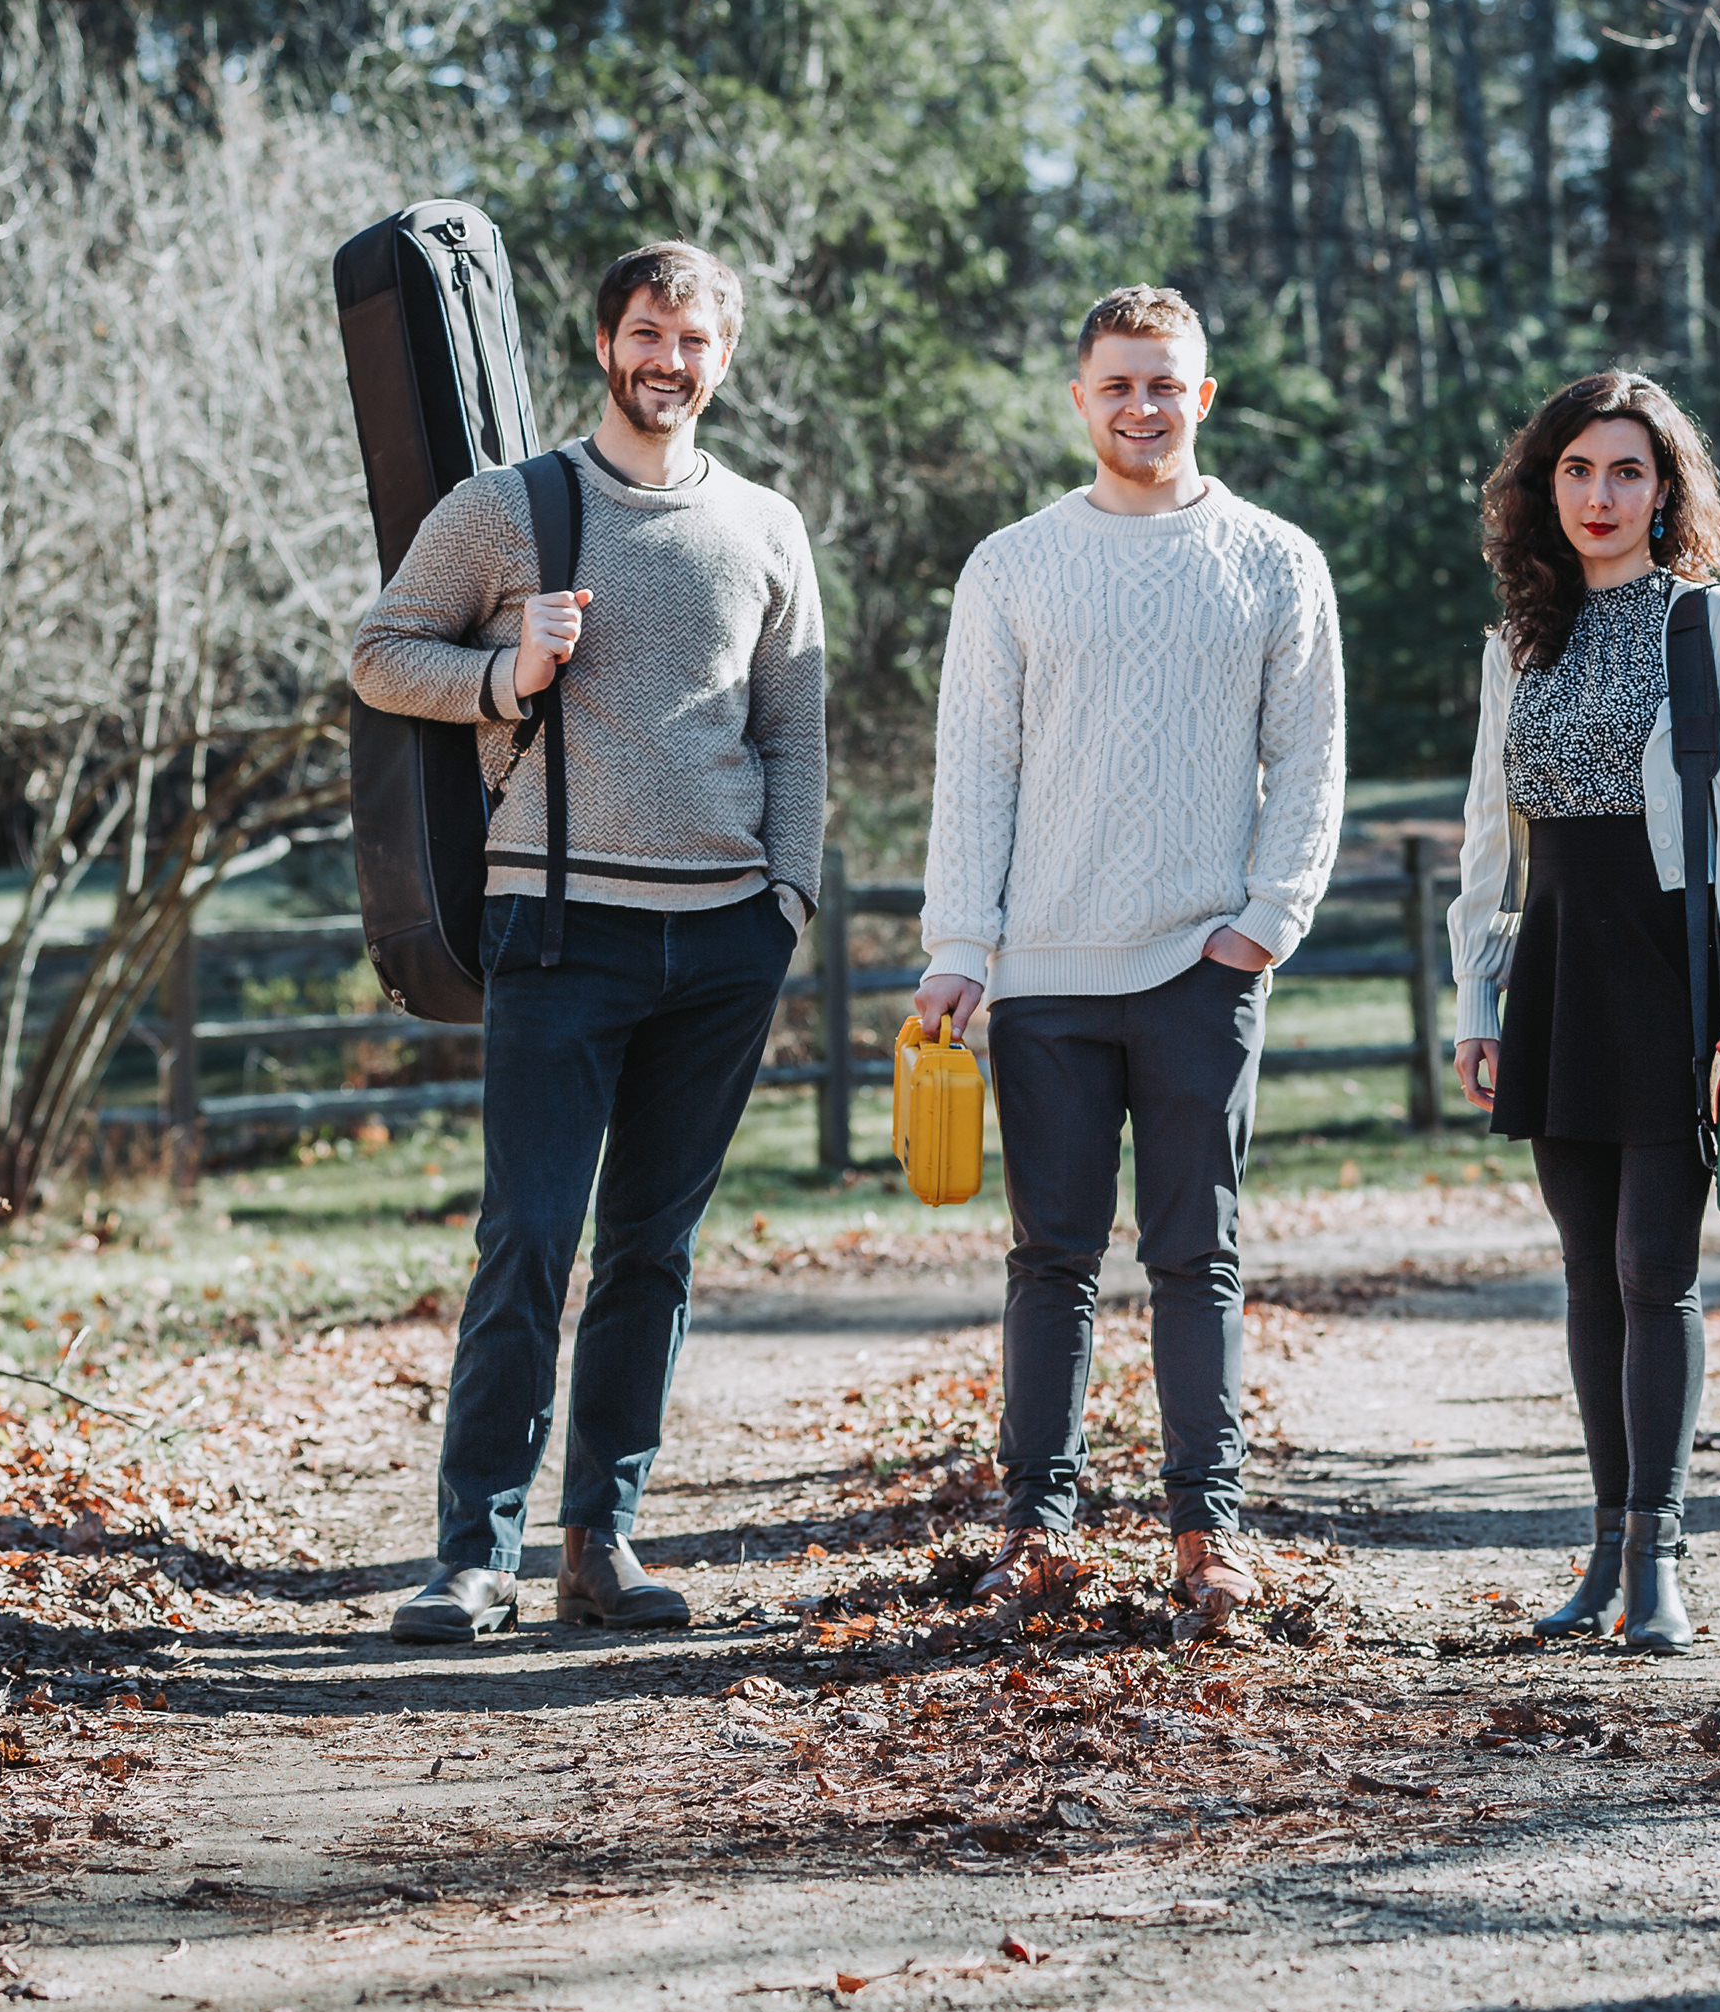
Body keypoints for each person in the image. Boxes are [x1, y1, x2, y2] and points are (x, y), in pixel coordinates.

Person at [351, 240, 826, 1644]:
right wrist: (506, 669)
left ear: (721, 357)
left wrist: (784, 900)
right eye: (644, 332)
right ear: (605, 342)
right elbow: (381, 652)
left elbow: (792, 728)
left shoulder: (766, 526)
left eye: (691, 339)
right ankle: (469, 1556)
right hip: (560, 935)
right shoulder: (512, 510)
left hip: (723, 946)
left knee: (651, 1255)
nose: (666, 360)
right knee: (531, 1241)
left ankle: (598, 1546)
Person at [912, 285, 1345, 1641]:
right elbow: (976, 771)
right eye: (1119, 384)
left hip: (1197, 969)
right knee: (1049, 1260)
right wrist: (958, 950)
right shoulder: (1012, 567)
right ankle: (1037, 1530)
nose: (1143, 406)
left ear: (1202, 396)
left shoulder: (1275, 561)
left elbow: (1312, 758)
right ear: (1080, 398)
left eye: (1167, 383)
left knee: (1193, 1256)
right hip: (1043, 975)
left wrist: (1266, 922)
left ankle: (1207, 1535)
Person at [1446, 373, 1720, 1655]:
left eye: (1626, 472)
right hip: (1556, 967)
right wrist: (1477, 995)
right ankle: (1605, 1546)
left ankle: (1662, 1560)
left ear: (1666, 489)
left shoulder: (1711, 624)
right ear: (1542, 487)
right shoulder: (1518, 641)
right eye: (1576, 471)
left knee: (1652, 1267)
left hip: (1671, 968)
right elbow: (1487, 847)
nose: (1599, 497)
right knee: (1585, 1272)